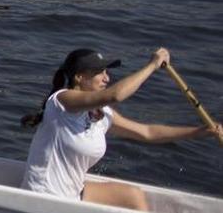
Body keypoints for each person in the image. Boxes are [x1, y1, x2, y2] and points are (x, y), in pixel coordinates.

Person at [21, 48, 221, 209]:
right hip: (45, 198)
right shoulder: (61, 101)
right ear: (79, 77)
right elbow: (115, 95)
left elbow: (147, 133)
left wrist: (199, 132)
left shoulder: (102, 114)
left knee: (133, 196)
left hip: (73, 194)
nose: (107, 78)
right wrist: (152, 65)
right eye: (99, 72)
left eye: (107, 72)